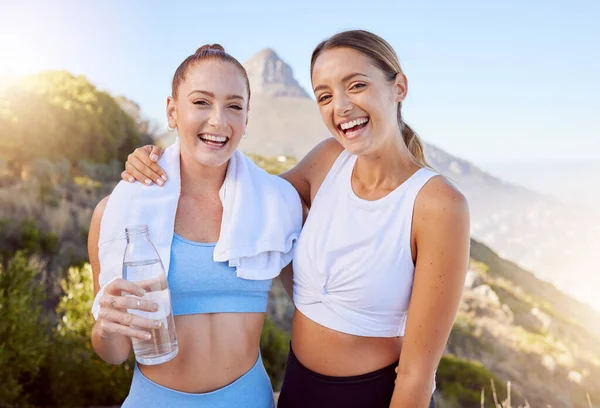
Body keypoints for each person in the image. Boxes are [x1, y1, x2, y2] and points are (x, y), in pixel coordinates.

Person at [123, 30, 470, 408]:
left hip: (373, 396)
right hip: (298, 391)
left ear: (398, 87)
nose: (340, 107)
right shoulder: (326, 161)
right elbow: (240, 194)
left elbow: (418, 376)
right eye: (324, 96)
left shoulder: (438, 204)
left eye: (356, 85)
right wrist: (159, 163)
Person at [89, 44, 301, 408]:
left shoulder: (275, 205)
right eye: (201, 102)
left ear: (247, 119)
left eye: (234, 106)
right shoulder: (120, 212)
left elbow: (318, 308)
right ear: (172, 111)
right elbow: (113, 354)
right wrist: (107, 327)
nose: (218, 120)